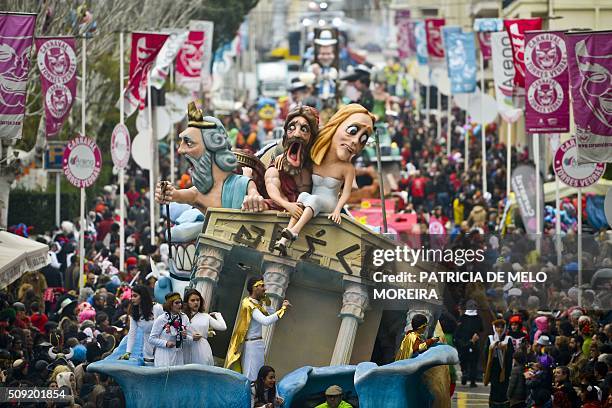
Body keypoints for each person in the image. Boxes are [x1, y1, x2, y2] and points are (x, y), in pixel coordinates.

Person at [273, 104, 375, 255]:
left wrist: (337, 210)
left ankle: (294, 231)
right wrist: (285, 155)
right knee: (303, 197)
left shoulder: (347, 168)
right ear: (336, 125)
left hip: (328, 203)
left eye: (363, 139)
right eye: (352, 131)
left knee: (314, 200)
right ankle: (284, 238)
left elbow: (346, 193)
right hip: (312, 200)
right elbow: (298, 148)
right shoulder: (316, 154)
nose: (355, 141)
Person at [225, 277, 291, 381]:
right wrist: (283, 309)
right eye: (262, 286)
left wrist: (268, 302)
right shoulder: (249, 304)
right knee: (251, 377)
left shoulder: (256, 303)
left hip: (257, 344)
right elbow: (266, 321)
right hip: (252, 345)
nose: (265, 289)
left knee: (259, 376)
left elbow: (271, 314)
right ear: (254, 288)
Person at [118, 285, 162, 364]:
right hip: (148, 349)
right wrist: (128, 352)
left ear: (143, 296)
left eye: (135, 296)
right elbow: (132, 333)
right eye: (131, 296)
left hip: (162, 346)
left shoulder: (157, 308)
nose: (132, 298)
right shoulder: (134, 312)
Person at [182, 289, 226, 365]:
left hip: (202, 349)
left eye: (198, 300)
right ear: (187, 302)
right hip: (186, 347)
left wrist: (218, 315)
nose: (196, 302)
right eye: (192, 300)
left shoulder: (206, 316)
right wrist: (190, 336)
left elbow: (223, 327)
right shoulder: (182, 316)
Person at [148, 292, 191, 367]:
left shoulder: (184, 318)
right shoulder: (162, 319)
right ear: (170, 305)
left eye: (180, 302)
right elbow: (151, 339)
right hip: (163, 355)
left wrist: (184, 336)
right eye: (176, 303)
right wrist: (165, 343)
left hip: (178, 355)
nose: (180, 305)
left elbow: (187, 339)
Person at [484, 319, 514, 408]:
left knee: (504, 389)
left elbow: (511, 355)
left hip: (504, 369)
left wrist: (505, 349)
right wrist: (492, 348)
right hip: (493, 369)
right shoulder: (490, 338)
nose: (499, 329)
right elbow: (485, 354)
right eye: (497, 327)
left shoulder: (508, 339)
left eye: (501, 327)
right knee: (494, 389)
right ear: (494, 328)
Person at [455, 299, 483, 387]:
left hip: (464, 342)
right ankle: (472, 381)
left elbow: (458, 330)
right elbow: (482, 329)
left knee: (463, 360)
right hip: (474, 342)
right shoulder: (478, 318)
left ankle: (464, 373)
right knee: (473, 362)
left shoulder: (462, 318)